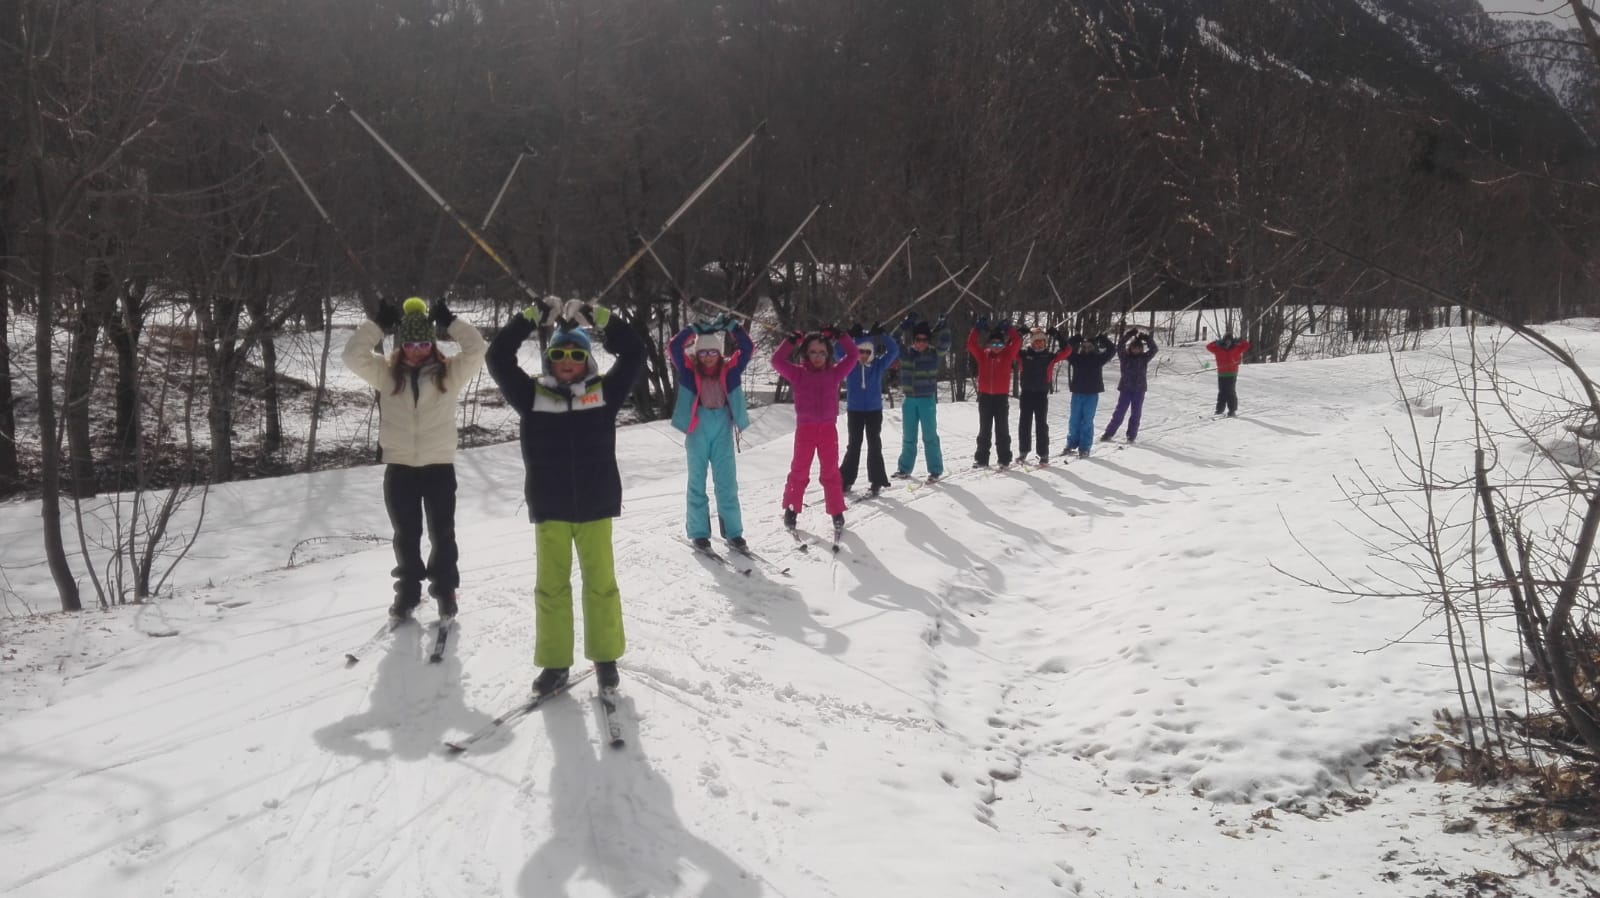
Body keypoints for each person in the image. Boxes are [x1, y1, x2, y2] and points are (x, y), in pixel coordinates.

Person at [486, 296, 645, 697]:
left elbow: (635, 352)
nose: (568, 360)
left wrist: (600, 318)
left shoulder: (603, 395)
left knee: (601, 584)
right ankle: (556, 665)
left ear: (588, 360)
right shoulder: (532, 397)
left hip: (595, 505)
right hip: (551, 506)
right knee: (551, 588)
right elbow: (498, 357)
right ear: (548, 359)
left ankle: (605, 659)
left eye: (576, 353)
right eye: (559, 353)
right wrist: (530, 318)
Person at [342, 296, 486, 623]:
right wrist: (377, 325)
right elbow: (352, 355)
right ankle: (407, 593)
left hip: (438, 466)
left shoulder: (449, 374)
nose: (417, 349)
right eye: (409, 343)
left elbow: (477, 349)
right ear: (401, 344)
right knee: (406, 534)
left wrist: (450, 322)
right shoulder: (386, 374)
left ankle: (445, 591)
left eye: (423, 342)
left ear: (432, 344)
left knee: (442, 533)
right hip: (400, 467)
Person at [670, 314, 754, 551]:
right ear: (696, 355)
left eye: (713, 352)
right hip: (697, 427)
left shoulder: (730, 369)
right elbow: (674, 346)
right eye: (703, 353)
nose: (708, 358)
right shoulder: (688, 370)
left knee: (726, 481)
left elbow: (747, 347)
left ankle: (734, 532)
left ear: (720, 354)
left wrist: (732, 327)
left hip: (722, 427)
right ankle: (699, 533)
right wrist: (691, 330)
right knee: (697, 481)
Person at [772, 326, 857, 533]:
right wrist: (791, 341)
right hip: (806, 430)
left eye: (822, 352)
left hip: (828, 430)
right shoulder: (798, 374)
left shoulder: (835, 373)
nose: (818, 357)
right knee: (799, 470)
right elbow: (776, 361)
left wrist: (842, 336)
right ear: (805, 353)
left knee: (830, 471)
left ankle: (836, 511)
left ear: (828, 353)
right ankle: (791, 509)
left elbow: (853, 355)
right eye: (812, 352)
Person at [838, 322, 900, 497]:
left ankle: (876, 480)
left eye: (867, 351)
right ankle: (845, 479)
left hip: (874, 411)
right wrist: (847, 336)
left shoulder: (878, 365)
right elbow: (837, 351)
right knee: (854, 445)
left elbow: (894, 351)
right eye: (860, 351)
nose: (864, 355)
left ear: (872, 352)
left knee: (874, 444)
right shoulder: (850, 365)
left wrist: (882, 336)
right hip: (855, 411)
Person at [892, 313, 953, 482]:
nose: (921, 343)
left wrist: (944, 328)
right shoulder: (905, 353)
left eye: (925, 340)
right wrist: (903, 326)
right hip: (909, 400)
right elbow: (892, 340)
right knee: (909, 437)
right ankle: (904, 468)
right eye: (918, 339)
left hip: (927, 400)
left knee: (930, 436)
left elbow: (945, 343)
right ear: (913, 340)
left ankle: (935, 470)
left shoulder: (933, 354)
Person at [967, 317, 1022, 469]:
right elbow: (971, 344)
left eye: (1000, 343)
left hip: (1000, 398)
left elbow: (1017, 342)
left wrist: (1009, 329)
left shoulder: (1007, 355)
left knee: (1002, 429)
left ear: (1003, 345)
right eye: (994, 344)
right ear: (989, 344)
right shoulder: (983, 355)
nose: (997, 346)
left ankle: (1004, 458)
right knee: (984, 429)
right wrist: (977, 329)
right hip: (985, 397)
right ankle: (981, 458)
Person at [1015, 325, 1073, 465]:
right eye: (1036, 341)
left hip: (1041, 395)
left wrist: (1057, 335)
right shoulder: (1023, 355)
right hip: (1027, 394)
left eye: (1042, 342)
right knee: (1024, 424)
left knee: (1041, 425)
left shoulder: (1050, 356)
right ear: (1031, 342)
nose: (1039, 344)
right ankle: (1023, 451)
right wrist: (1018, 335)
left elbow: (1067, 351)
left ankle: (1043, 453)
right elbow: (1009, 349)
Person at [1062, 332, 1117, 458]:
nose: (1086, 349)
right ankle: (1071, 444)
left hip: (1091, 394)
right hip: (1077, 393)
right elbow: (1065, 348)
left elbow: (1112, 350)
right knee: (1074, 420)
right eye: (1084, 346)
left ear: (1093, 347)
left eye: (1089, 347)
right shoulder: (1076, 358)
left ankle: (1085, 447)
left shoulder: (1098, 359)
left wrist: (1103, 338)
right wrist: (1076, 339)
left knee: (1087, 420)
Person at [1102, 328, 1159, 443]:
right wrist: (1129, 334)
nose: (1136, 350)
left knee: (1136, 413)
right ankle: (1109, 433)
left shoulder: (1144, 358)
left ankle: (1131, 435)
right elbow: (1120, 345)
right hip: (1126, 389)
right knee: (1119, 412)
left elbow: (1154, 349)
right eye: (1134, 348)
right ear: (1130, 348)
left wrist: (1147, 338)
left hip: (1139, 389)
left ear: (1141, 349)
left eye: (1138, 348)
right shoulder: (1124, 358)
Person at [1205, 331, 1251, 416]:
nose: (1228, 342)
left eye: (1229, 340)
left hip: (1232, 373)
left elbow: (1247, 346)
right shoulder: (1218, 348)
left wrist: (1241, 341)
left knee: (1230, 391)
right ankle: (1219, 410)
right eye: (1226, 340)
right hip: (1221, 373)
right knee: (1222, 392)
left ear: (1232, 341)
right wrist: (1215, 342)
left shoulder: (1237, 348)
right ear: (1223, 341)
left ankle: (1232, 410)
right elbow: (1208, 347)